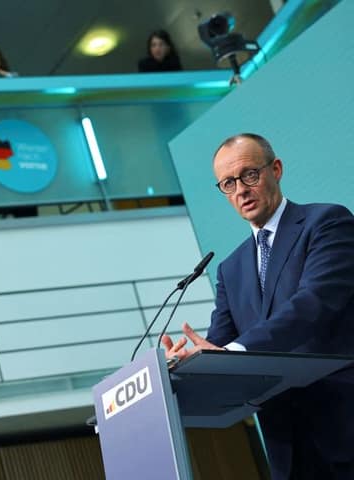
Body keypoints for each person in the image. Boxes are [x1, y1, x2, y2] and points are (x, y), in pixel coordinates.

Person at [163, 133, 354, 479]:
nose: (241, 190)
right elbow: (219, 345)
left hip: (343, 423)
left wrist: (234, 351)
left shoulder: (326, 222)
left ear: (275, 169)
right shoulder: (231, 268)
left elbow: (313, 304)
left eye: (249, 175)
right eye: (228, 183)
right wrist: (185, 362)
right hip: (286, 446)